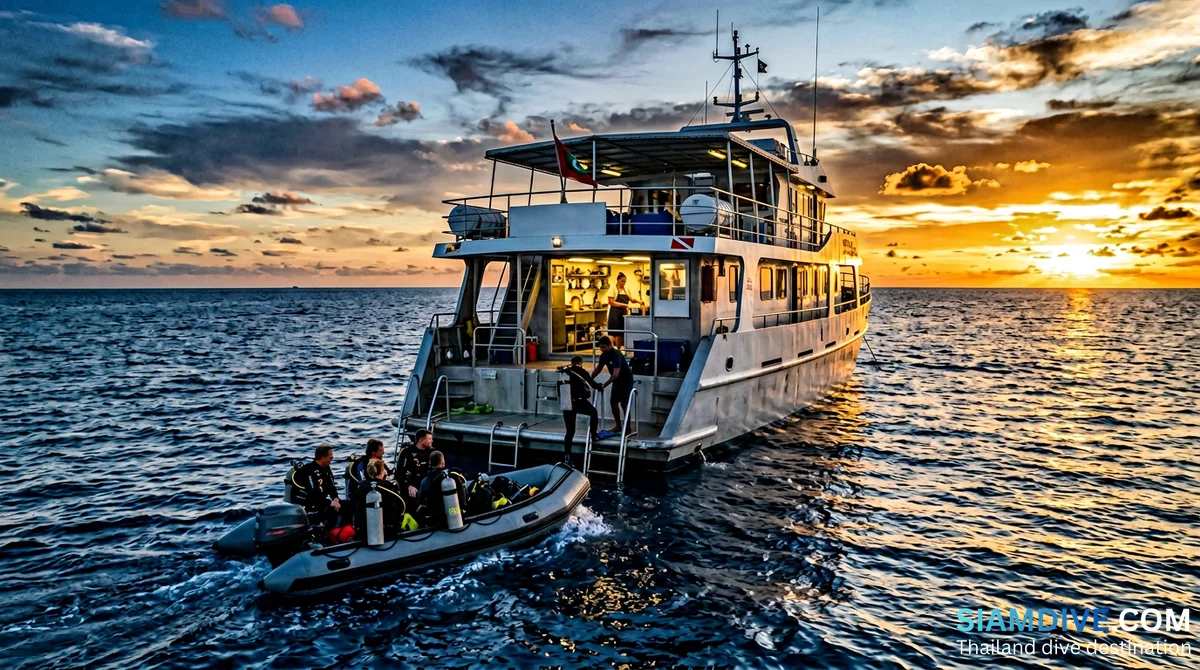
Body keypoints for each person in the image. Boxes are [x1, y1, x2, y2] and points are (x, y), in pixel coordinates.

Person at [560, 355, 602, 463]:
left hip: (567, 403)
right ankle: (594, 434)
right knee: (594, 412)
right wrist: (600, 386)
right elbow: (592, 384)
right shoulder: (582, 372)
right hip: (580, 402)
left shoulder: (564, 372)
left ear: (571, 363)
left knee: (570, 431)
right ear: (581, 363)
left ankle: (567, 455)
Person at [352, 459, 406, 540]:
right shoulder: (388, 486)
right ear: (382, 471)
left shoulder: (361, 488)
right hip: (388, 530)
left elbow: (352, 505)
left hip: (364, 532)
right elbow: (402, 505)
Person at [592, 335, 634, 437]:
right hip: (616, 381)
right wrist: (589, 379)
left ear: (610, 345)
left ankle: (628, 428)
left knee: (624, 404)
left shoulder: (617, 354)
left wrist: (604, 385)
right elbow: (598, 368)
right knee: (613, 402)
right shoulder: (603, 356)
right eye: (600, 347)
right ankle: (618, 426)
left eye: (604, 347)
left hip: (625, 380)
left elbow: (615, 374)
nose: (602, 349)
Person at [290, 444, 342, 527]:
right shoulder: (308, 471)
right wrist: (330, 502)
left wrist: (335, 499)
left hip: (320, 500)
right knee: (329, 510)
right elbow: (313, 493)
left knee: (347, 505)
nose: (332, 458)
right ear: (323, 458)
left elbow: (331, 486)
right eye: (330, 456)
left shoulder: (326, 468)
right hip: (307, 504)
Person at [417, 450, 466, 529]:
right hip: (457, 519)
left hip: (437, 520)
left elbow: (421, 500)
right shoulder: (453, 477)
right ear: (443, 463)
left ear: (429, 462)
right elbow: (463, 498)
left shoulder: (426, 481)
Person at [606, 272, 642, 348]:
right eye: (622, 281)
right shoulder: (613, 288)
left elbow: (631, 299)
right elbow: (611, 302)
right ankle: (611, 349)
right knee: (613, 332)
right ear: (618, 280)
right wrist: (624, 305)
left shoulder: (626, 289)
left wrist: (639, 301)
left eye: (625, 281)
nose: (623, 283)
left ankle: (618, 350)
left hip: (623, 313)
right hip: (614, 313)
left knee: (621, 333)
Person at [398, 429, 434, 505]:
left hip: (427, 482)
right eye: (430, 439)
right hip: (413, 484)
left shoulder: (432, 452)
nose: (432, 441)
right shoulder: (407, 452)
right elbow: (399, 473)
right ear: (422, 441)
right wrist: (408, 486)